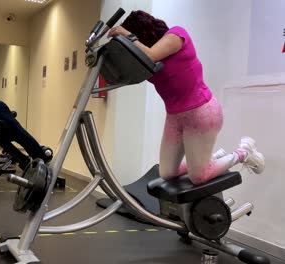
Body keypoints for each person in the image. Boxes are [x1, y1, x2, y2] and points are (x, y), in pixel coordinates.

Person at [108, 10, 265, 185]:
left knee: (198, 177)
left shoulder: (176, 34)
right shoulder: (145, 57)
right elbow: (132, 70)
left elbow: (151, 55)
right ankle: (212, 159)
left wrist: (126, 35)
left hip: (202, 112)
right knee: (167, 172)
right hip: (174, 117)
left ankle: (243, 152)